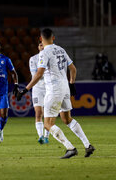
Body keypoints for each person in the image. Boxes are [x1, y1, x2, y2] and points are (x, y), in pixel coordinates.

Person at [17, 28, 95, 159]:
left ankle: (70, 148)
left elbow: (39, 73)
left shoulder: (44, 53)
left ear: (41, 39)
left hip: (53, 89)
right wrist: (72, 84)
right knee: (66, 119)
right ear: (53, 38)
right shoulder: (61, 49)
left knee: (47, 124)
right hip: (65, 87)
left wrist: (25, 89)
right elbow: (73, 69)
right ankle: (87, 145)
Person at [29, 42, 50, 144]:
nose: (42, 47)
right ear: (38, 47)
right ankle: (40, 136)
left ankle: (46, 136)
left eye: (43, 45)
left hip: (49, 88)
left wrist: (41, 72)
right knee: (38, 113)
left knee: (48, 113)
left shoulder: (51, 57)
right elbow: (36, 75)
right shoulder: (33, 59)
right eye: (40, 45)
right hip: (37, 89)